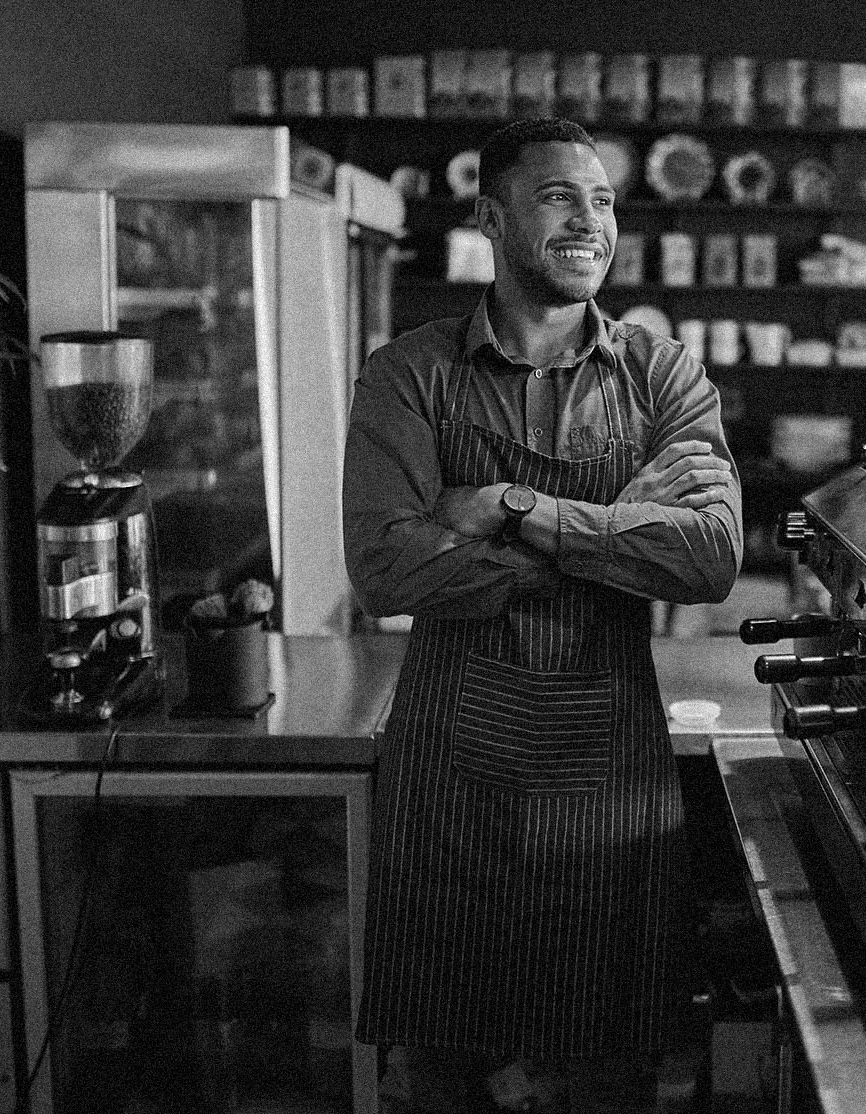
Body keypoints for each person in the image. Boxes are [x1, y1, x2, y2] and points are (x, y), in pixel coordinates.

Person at [342, 116, 743, 1113]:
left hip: (609, 781)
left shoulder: (661, 374)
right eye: (559, 197)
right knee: (444, 1082)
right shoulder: (409, 373)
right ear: (491, 218)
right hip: (452, 787)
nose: (588, 220)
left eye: (601, 200)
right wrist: (615, 528)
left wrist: (511, 508)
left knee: (605, 1084)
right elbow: (385, 570)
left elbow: (708, 556)